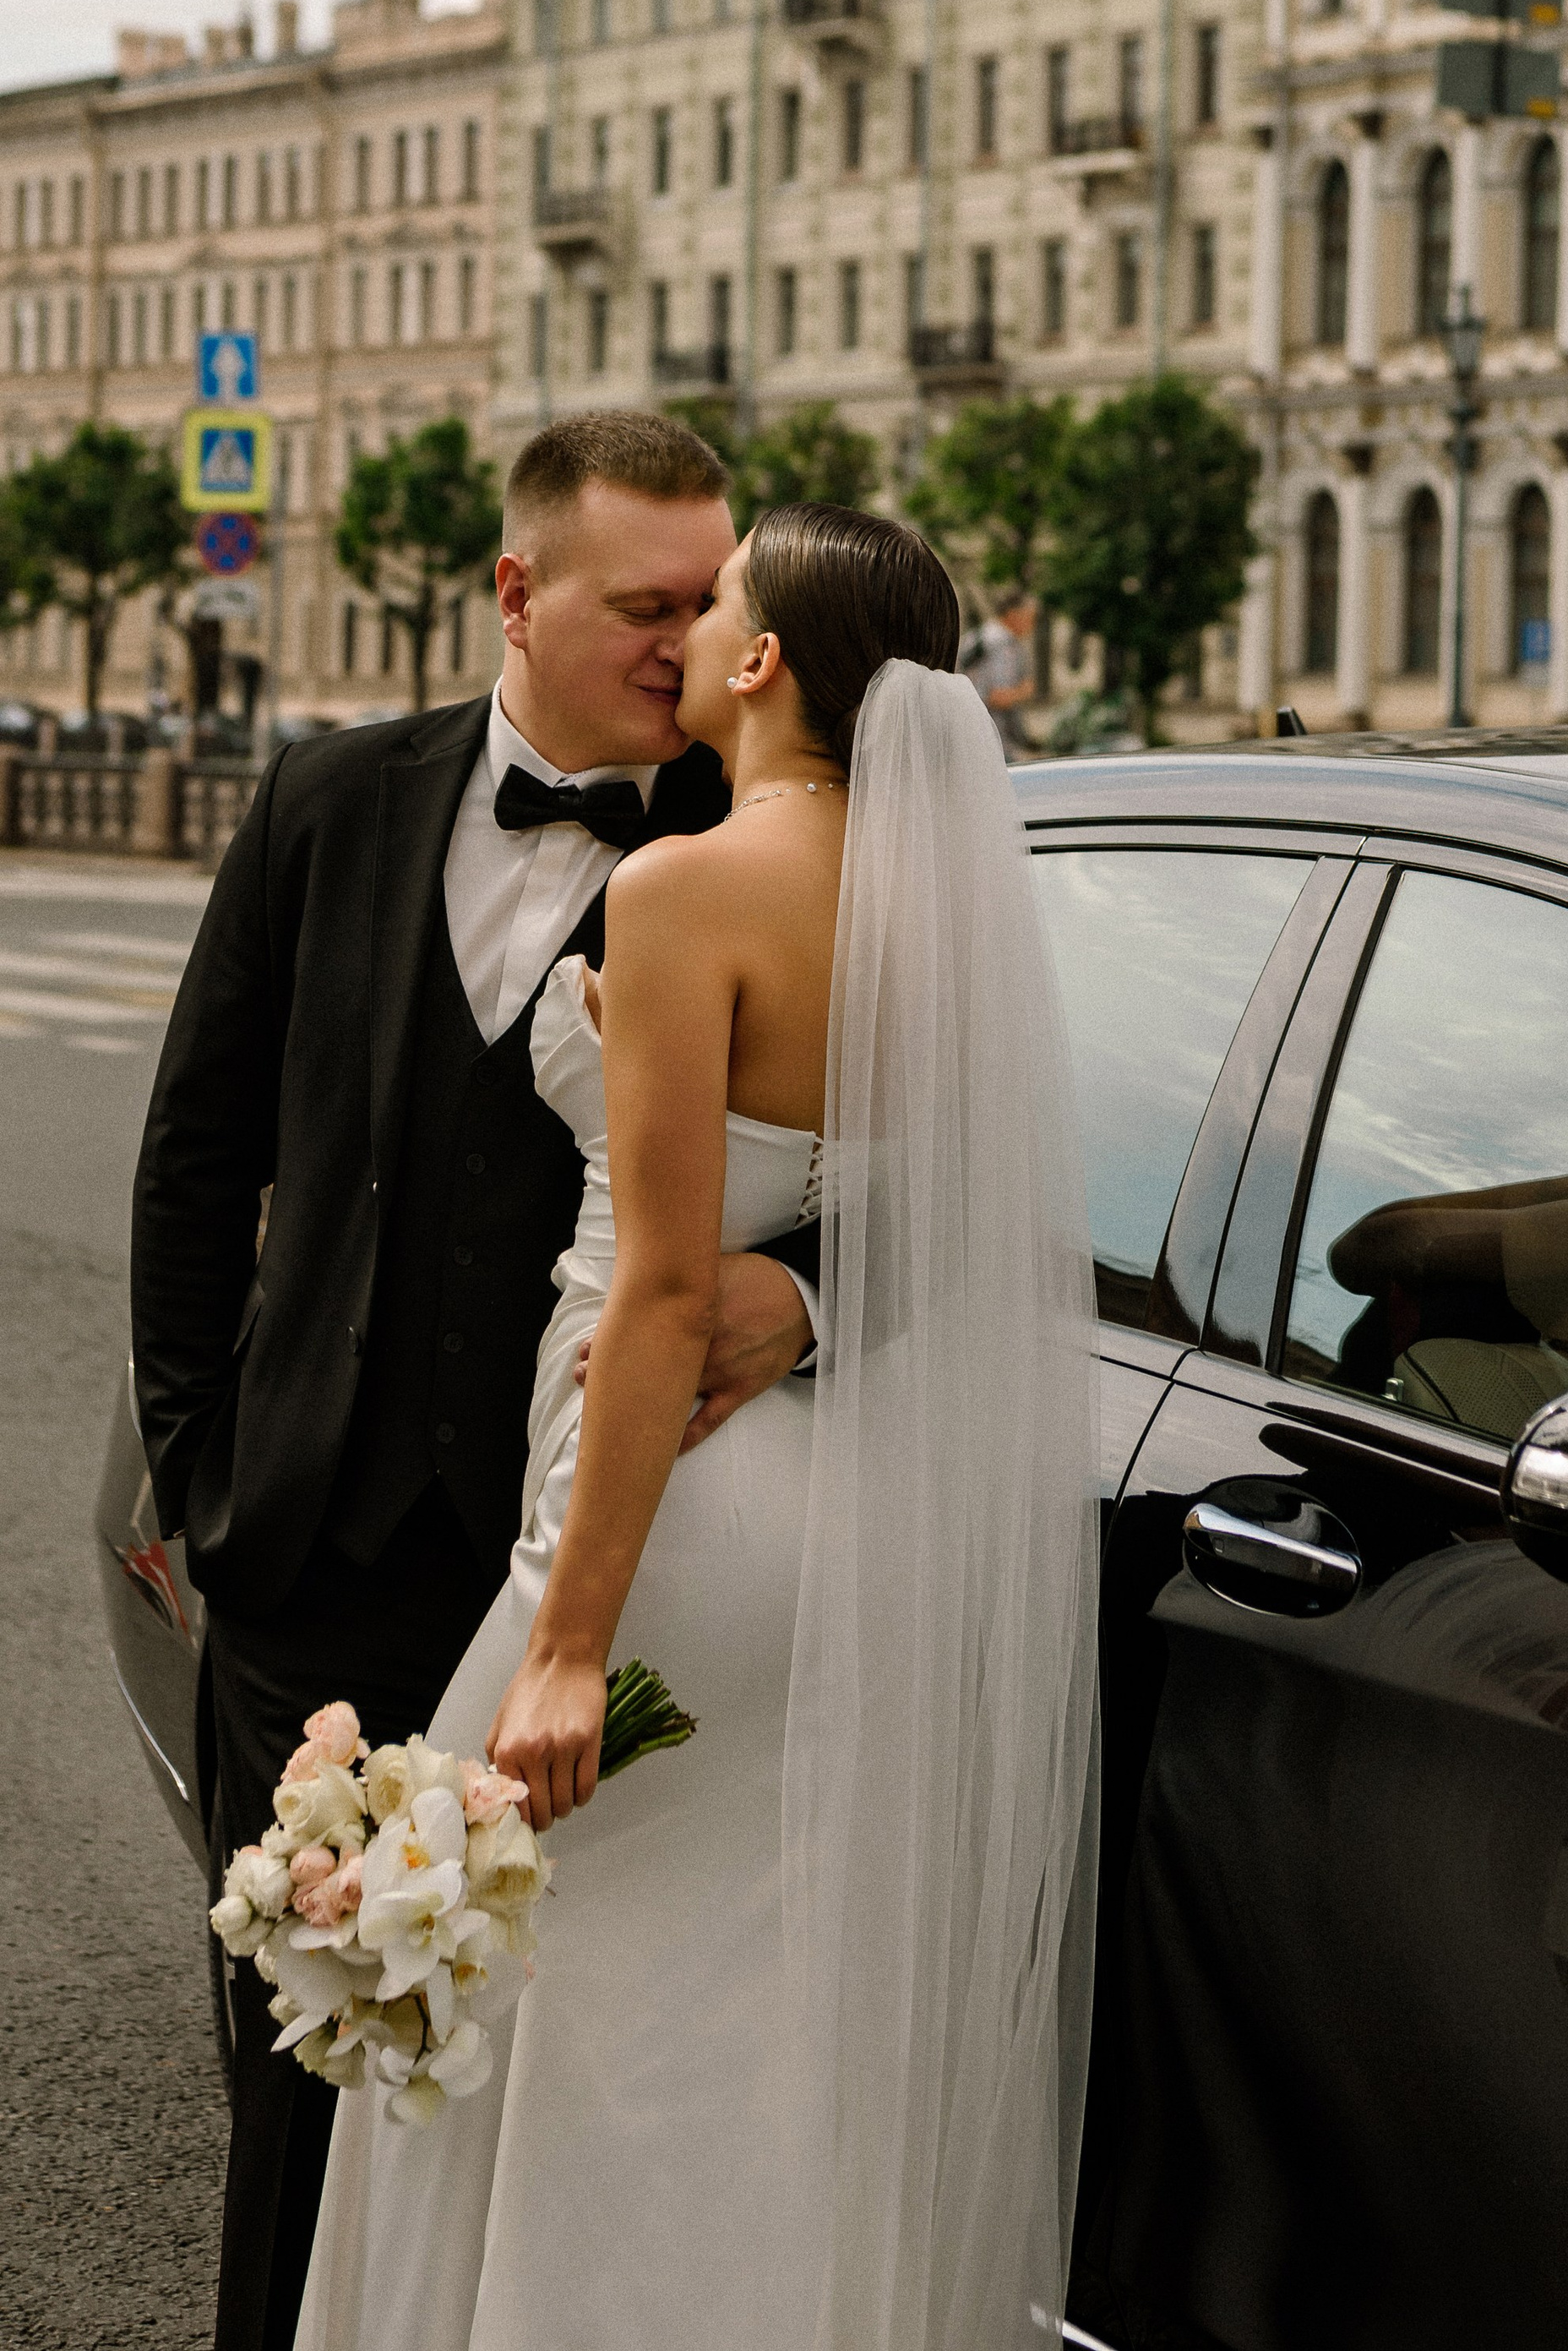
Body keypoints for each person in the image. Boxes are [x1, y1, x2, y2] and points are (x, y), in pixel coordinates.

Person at [295, 504, 1098, 2351]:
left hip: (677, 1504)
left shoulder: (681, 893)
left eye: (715, 604)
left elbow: (662, 1298)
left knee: (557, 1984)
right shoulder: (944, 913)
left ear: (759, 665)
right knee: (770, 2005)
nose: (683, 636)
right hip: (865, 1500)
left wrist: (571, 1643)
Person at [133, 412, 820, 2351]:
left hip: (589, 1575)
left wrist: (808, 1295)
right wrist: (201, 1475)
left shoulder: (757, 848)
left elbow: (894, 1167)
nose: (687, 647)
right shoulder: (325, 798)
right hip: (309, 1563)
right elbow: (196, 1154)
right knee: (306, 2074)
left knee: (566, 2094)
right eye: (643, 605)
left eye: (712, 603)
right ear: (516, 593)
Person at [965, 584, 1038, 758]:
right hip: (995, 741)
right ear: (1013, 615)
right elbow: (996, 696)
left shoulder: (979, 636)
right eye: (1030, 618)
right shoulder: (1004, 645)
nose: (1032, 625)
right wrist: (1024, 691)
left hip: (970, 735)